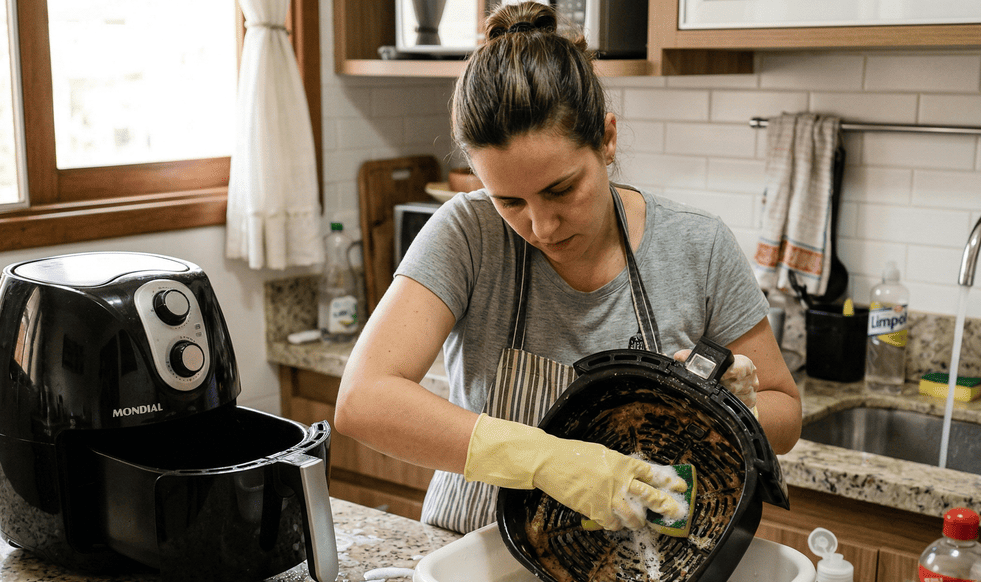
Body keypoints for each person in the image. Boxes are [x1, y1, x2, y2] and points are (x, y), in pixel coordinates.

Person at [335, 1, 801, 535]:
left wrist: (727, 408)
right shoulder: (468, 233)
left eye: (560, 190)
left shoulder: (699, 246)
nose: (542, 226)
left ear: (607, 139)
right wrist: (547, 460)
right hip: (471, 551)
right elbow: (362, 399)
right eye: (510, 201)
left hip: (638, 563)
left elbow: (786, 415)